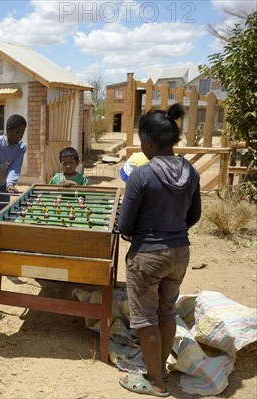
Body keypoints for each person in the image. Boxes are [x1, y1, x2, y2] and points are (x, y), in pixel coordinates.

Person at [117, 103, 201, 397]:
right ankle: (161, 369)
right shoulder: (190, 171)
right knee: (167, 313)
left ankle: (154, 382)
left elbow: (125, 223)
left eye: (142, 141)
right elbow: (194, 216)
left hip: (148, 255)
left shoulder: (142, 175)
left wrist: (137, 232)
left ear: (150, 142)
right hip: (180, 251)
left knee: (145, 318)